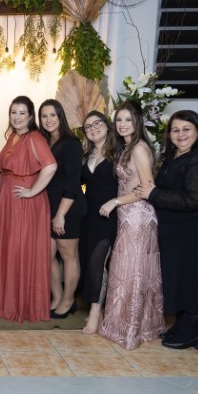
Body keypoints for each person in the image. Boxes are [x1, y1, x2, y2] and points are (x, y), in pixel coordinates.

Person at [135, 110, 198, 349]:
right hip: (182, 231)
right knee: (183, 281)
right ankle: (183, 327)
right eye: (175, 130)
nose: (180, 135)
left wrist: (153, 194)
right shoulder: (174, 157)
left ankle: (192, 332)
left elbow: (196, 199)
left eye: (186, 129)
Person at [98, 101, 165, 349]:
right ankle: (121, 324)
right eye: (119, 120)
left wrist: (115, 201)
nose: (122, 124)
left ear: (137, 122)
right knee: (123, 268)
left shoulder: (138, 148)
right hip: (127, 215)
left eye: (128, 120)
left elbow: (148, 188)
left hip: (138, 216)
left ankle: (133, 329)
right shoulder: (126, 147)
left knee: (133, 270)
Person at [0, 96, 57, 323]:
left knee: (21, 248)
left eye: (22, 113)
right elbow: (4, 172)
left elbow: (50, 166)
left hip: (25, 202)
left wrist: (32, 191)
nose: (16, 117)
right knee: (10, 247)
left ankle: (24, 305)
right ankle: (9, 302)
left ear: (30, 116)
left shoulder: (34, 137)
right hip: (8, 200)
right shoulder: (12, 137)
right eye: (13, 112)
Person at [40, 99, 87, 319]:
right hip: (48, 205)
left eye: (53, 115)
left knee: (68, 255)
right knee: (47, 255)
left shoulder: (71, 143)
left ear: (61, 117)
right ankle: (57, 297)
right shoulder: (44, 142)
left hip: (68, 206)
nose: (48, 120)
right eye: (44, 116)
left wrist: (60, 215)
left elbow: (73, 182)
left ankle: (68, 301)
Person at [78, 111, 118, 334]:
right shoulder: (86, 155)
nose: (93, 128)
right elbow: (81, 184)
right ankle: (97, 306)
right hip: (89, 216)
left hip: (110, 215)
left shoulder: (119, 153)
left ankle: (95, 313)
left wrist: (117, 202)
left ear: (107, 125)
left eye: (97, 123)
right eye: (88, 126)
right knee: (88, 261)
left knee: (98, 262)